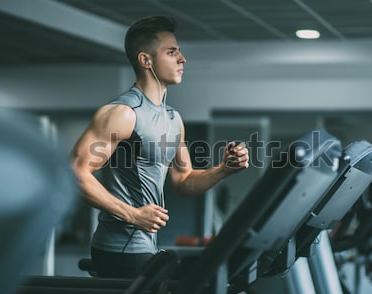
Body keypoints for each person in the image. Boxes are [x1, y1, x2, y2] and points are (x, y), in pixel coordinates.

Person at [70, 16, 249, 278]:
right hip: (120, 249)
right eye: (172, 52)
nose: (182, 59)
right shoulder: (123, 113)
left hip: (146, 245)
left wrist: (224, 169)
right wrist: (131, 215)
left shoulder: (173, 119)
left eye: (179, 51)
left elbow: (184, 181)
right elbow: (75, 173)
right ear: (146, 60)